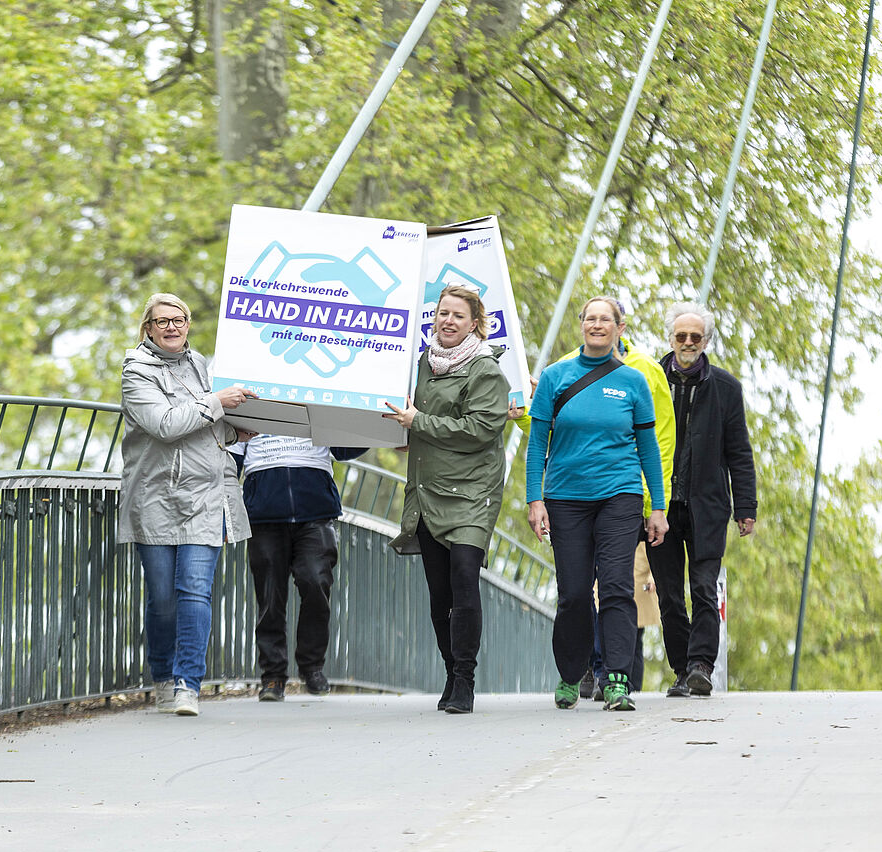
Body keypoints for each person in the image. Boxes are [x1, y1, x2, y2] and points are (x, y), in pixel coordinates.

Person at [513, 329, 675, 700]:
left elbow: (652, 447)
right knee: (573, 592)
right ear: (583, 325)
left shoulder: (637, 378)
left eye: (606, 319)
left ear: (619, 328)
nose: (598, 325)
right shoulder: (557, 375)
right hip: (566, 497)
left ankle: (617, 677)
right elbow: (539, 440)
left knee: (618, 586)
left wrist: (658, 508)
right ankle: (572, 673)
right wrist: (534, 500)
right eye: (591, 318)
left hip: (620, 496)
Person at [119, 292, 256, 717]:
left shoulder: (203, 367)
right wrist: (219, 403)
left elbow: (210, 429)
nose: (172, 327)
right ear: (148, 328)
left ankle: (187, 685)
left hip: (208, 495)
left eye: (179, 320)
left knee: (195, 591)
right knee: (163, 598)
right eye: (162, 322)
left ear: (188, 324)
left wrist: (236, 435)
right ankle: (162, 677)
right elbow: (165, 425)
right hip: (155, 496)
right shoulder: (135, 373)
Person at [383, 284, 509, 714]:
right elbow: (410, 420)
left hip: (473, 491)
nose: (447, 321)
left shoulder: (485, 370)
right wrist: (402, 433)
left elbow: (480, 430)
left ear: (475, 323)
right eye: (442, 313)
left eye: (457, 315)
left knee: (462, 577)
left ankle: (465, 680)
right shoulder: (421, 364)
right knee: (439, 594)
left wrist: (419, 422)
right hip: (427, 490)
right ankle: (450, 670)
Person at [647, 302, 757, 697]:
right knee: (670, 595)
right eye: (682, 336)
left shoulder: (726, 388)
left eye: (696, 336)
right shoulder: (649, 381)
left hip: (708, 505)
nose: (688, 342)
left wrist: (746, 508)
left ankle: (701, 666)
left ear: (706, 340)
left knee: (704, 588)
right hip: (660, 506)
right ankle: (681, 668)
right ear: (671, 339)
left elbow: (739, 452)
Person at [233, 435, 367, 701]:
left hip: (315, 510)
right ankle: (273, 675)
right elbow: (232, 457)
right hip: (264, 512)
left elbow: (343, 445)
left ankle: (311, 665)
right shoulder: (247, 397)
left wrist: (378, 424)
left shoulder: (317, 394)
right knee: (269, 597)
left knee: (317, 581)